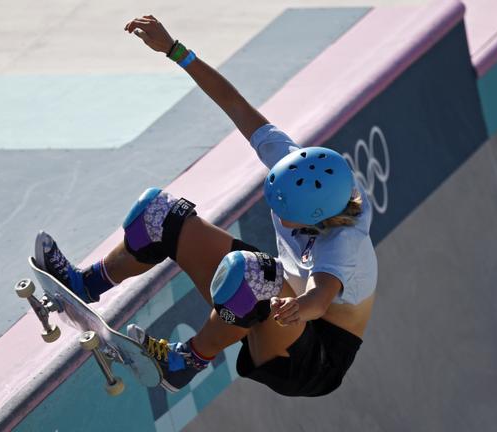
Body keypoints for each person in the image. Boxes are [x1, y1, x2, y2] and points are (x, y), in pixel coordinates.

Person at [35, 15, 377, 397]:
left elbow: (321, 294)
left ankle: (184, 362)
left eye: (283, 210)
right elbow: (237, 107)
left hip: (312, 358)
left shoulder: (343, 244)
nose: (276, 211)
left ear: (315, 216)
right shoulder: (300, 169)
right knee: (159, 214)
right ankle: (86, 283)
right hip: (281, 304)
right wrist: (176, 51)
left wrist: (300, 309)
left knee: (255, 274)